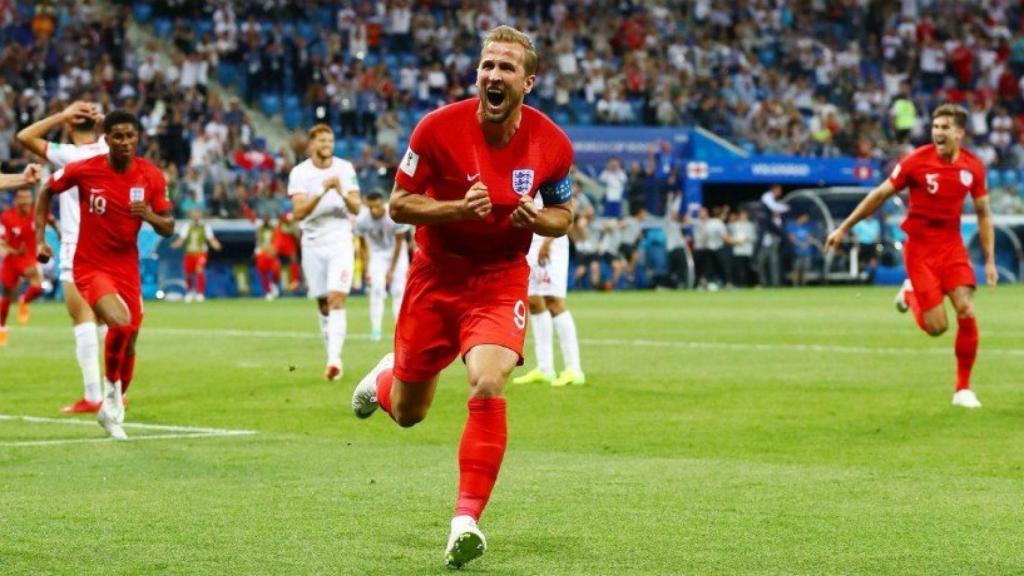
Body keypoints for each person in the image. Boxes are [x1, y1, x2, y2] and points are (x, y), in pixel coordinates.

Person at [350, 25, 574, 569]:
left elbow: (564, 216)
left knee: (490, 379)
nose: (493, 76)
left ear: (529, 81)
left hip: (499, 279)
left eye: (506, 68)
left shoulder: (552, 143)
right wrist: (455, 209)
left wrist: (537, 218)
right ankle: (387, 378)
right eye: (487, 66)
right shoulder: (436, 129)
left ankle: (464, 521)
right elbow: (399, 205)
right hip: (436, 279)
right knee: (408, 413)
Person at [826, 103, 995, 408]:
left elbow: (983, 212)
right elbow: (879, 195)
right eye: (935, 127)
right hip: (920, 249)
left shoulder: (973, 167)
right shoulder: (916, 161)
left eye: (945, 127)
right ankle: (909, 294)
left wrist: (990, 259)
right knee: (937, 328)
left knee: (966, 309)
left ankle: (962, 389)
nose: (938, 133)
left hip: (952, 246)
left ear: (959, 132)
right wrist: (843, 227)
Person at [36, 109, 175, 439]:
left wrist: (150, 217)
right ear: (107, 139)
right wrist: (40, 238)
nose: (125, 142)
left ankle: (112, 402)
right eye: (118, 137)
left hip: (127, 267)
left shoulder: (151, 176)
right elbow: (46, 191)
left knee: (130, 341)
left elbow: (169, 226)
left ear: (137, 138)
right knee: (120, 322)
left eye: (130, 136)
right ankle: (110, 398)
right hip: (91, 265)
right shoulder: (86, 169)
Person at [16, 101, 109, 412]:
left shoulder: (68, 154)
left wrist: (61, 114)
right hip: (110, 247)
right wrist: (103, 120)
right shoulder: (113, 149)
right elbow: (127, 131)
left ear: (70, 127)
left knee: (82, 317)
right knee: (111, 319)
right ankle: (116, 390)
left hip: (77, 246)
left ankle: (94, 396)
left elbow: (25, 136)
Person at [287, 124, 361, 381]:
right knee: (322, 302)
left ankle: (334, 360)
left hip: (340, 240)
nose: (327, 144)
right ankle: (330, 352)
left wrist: (339, 190)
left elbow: (356, 207)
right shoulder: (299, 173)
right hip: (312, 243)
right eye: (322, 140)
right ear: (311, 145)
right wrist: (322, 190)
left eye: (330, 140)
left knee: (336, 298)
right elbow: (298, 212)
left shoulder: (345, 168)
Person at [512, 195, 585, 387]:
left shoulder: (555, 170)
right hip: (530, 240)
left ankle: (574, 369)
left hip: (550, 241)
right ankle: (545, 368)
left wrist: (548, 241)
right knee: (534, 302)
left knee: (554, 301)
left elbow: (567, 209)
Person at [354, 190, 410, 341]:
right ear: (367, 205)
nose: (374, 210)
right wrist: (366, 267)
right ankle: (375, 329)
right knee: (376, 289)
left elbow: (399, 243)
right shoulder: (362, 219)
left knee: (399, 290)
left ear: (382, 204)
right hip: (377, 254)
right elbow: (362, 245)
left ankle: (400, 330)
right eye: (371, 207)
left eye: (377, 207)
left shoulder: (393, 214)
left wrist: (391, 270)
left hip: (397, 253)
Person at [0, 188, 51, 345]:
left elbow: (48, 225)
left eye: (27, 197)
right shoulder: (7, 217)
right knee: (6, 295)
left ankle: (24, 301)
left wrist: (45, 245)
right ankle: (2, 328)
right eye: (21, 198)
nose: (24, 201)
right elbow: (1, 241)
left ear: (31, 199)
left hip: (28, 259)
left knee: (38, 282)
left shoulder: (37, 214)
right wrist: (13, 250)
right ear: (16, 200)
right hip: (11, 259)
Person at [170, 208, 222, 302]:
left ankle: (200, 293)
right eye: (194, 215)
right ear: (191, 216)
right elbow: (182, 239)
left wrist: (216, 244)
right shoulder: (187, 227)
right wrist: (175, 244)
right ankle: (190, 292)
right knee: (188, 274)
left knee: (199, 270)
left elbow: (211, 238)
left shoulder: (205, 227)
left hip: (201, 253)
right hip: (189, 253)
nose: (196, 216)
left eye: (198, 214)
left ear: (200, 216)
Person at [254, 217, 281, 300]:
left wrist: (274, 249)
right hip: (262, 252)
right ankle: (268, 292)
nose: (266, 221)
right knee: (263, 273)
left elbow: (277, 238)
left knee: (276, 270)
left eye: (267, 219)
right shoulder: (259, 228)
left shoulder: (274, 228)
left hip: (272, 252)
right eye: (264, 220)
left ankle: (273, 284)